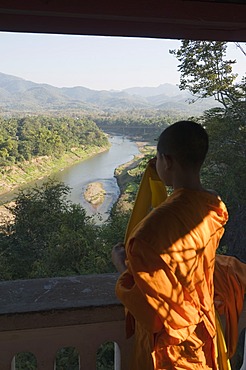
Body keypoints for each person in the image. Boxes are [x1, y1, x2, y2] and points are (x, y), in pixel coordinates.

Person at [112, 121, 228, 370]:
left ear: (167, 160)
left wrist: (122, 265)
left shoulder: (149, 231)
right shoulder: (215, 208)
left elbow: (152, 308)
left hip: (170, 348)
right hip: (204, 332)